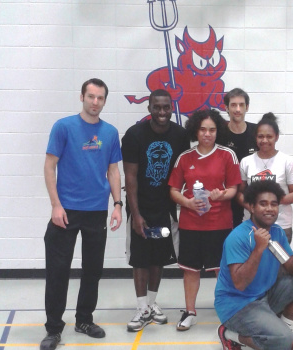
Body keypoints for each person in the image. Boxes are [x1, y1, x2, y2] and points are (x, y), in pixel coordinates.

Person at [40, 78, 123, 350]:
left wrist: (118, 205)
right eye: (91, 96)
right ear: (82, 97)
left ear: (104, 101)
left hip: (96, 211)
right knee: (58, 271)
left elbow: (113, 171)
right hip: (65, 211)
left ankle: (84, 320)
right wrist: (55, 204)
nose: (95, 102)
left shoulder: (110, 132)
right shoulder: (63, 127)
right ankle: (53, 329)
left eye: (100, 98)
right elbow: (50, 166)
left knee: (92, 271)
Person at [215, 181, 293, 350]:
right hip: (236, 305)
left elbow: (291, 266)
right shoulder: (238, 237)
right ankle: (229, 334)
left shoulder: (276, 232)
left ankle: (285, 331)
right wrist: (258, 249)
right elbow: (240, 284)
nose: (269, 208)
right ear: (252, 207)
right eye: (263, 204)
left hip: (263, 296)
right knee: (281, 341)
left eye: (274, 204)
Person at [121, 89, 190, 332]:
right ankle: (141, 308)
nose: (162, 112)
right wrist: (135, 213)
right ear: (149, 108)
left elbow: (184, 171)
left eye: (166, 107)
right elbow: (130, 177)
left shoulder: (181, 135)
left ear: (171, 108)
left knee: (158, 256)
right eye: (157, 107)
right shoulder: (134, 135)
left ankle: (151, 304)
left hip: (166, 209)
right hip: (141, 207)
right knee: (140, 257)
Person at [168, 109, 242, 331]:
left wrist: (222, 195)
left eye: (212, 129)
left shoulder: (227, 155)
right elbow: (173, 190)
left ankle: (227, 313)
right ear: (195, 131)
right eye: (203, 129)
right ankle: (190, 312)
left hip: (220, 224)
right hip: (190, 224)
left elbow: (234, 188)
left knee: (222, 270)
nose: (207, 134)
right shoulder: (185, 157)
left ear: (217, 131)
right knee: (190, 270)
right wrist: (187, 203)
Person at [238, 112, 293, 242]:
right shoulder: (246, 162)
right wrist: (253, 207)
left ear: (276, 137)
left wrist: (271, 204)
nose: (264, 140)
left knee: (279, 263)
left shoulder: (287, 161)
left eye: (269, 136)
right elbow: (239, 193)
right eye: (260, 136)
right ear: (255, 137)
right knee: (252, 262)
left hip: (280, 225)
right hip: (252, 225)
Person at [222, 88, 258, 227]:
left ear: (247, 107)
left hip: (250, 197)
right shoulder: (219, 134)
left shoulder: (257, 132)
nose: (237, 109)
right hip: (226, 197)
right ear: (226, 108)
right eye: (233, 105)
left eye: (241, 105)